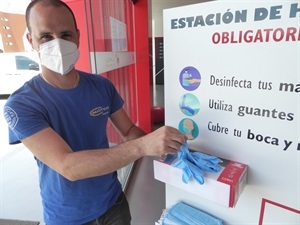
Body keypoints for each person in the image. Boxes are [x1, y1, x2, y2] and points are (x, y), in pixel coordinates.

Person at [2, 0, 186, 224]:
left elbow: (128, 129)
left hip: (113, 202)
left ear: (78, 36)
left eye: (66, 34)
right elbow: (67, 165)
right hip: (68, 216)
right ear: (31, 40)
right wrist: (142, 146)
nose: (57, 44)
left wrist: (161, 146)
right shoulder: (22, 104)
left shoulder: (101, 86)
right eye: (46, 37)